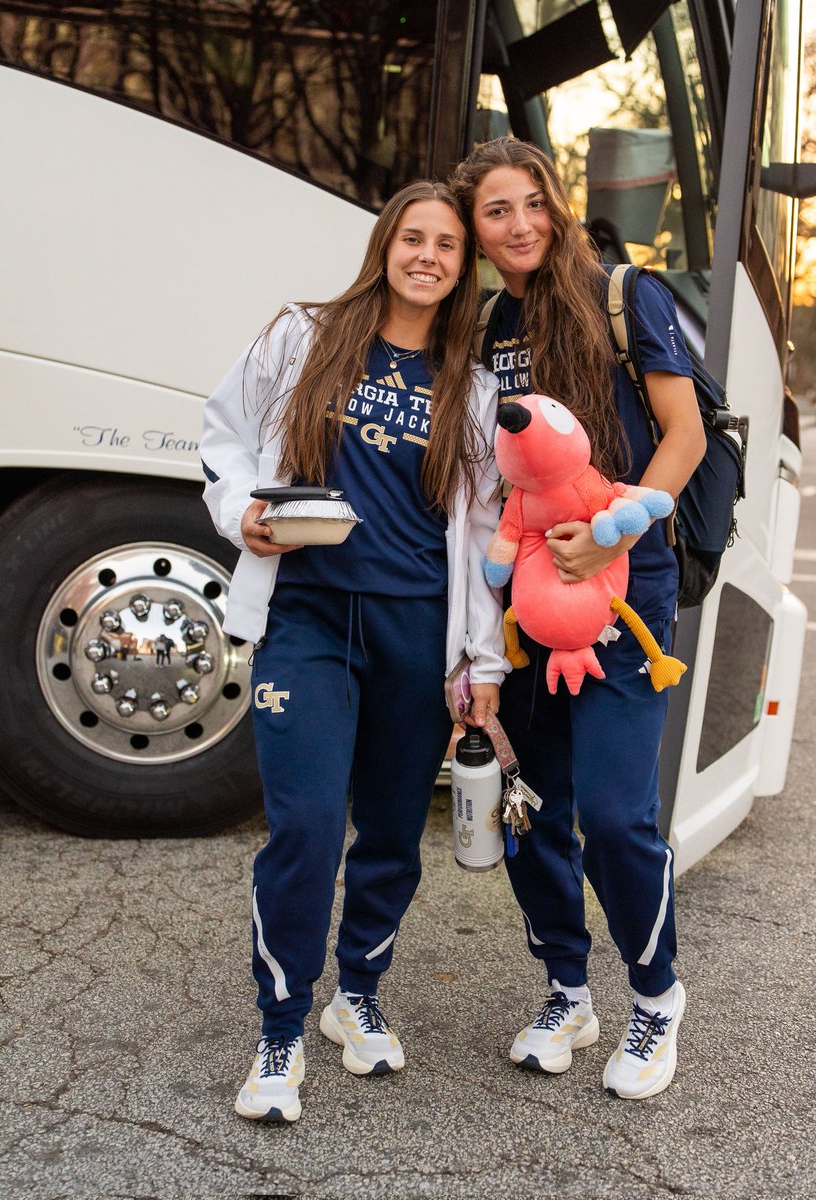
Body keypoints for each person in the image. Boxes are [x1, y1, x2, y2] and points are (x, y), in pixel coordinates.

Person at [200, 181, 505, 1123]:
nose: (427, 256)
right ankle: (280, 1030)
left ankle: (358, 994)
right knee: (302, 827)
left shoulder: (473, 388)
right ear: (384, 245)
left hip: (416, 630)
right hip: (309, 618)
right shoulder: (303, 335)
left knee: (391, 832)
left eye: (446, 245)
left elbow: (480, 533)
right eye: (413, 237)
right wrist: (241, 511)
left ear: (463, 266)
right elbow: (222, 434)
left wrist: (481, 665)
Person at [451, 138, 706, 1099]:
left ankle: (655, 997)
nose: (519, 225)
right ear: (476, 232)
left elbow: (683, 433)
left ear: (556, 205)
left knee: (613, 812)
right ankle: (567, 990)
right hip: (526, 604)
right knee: (532, 805)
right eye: (496, 211)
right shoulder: (485, 325)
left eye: (531, 203)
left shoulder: (625, 295)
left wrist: (611, 536)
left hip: (623, 597)